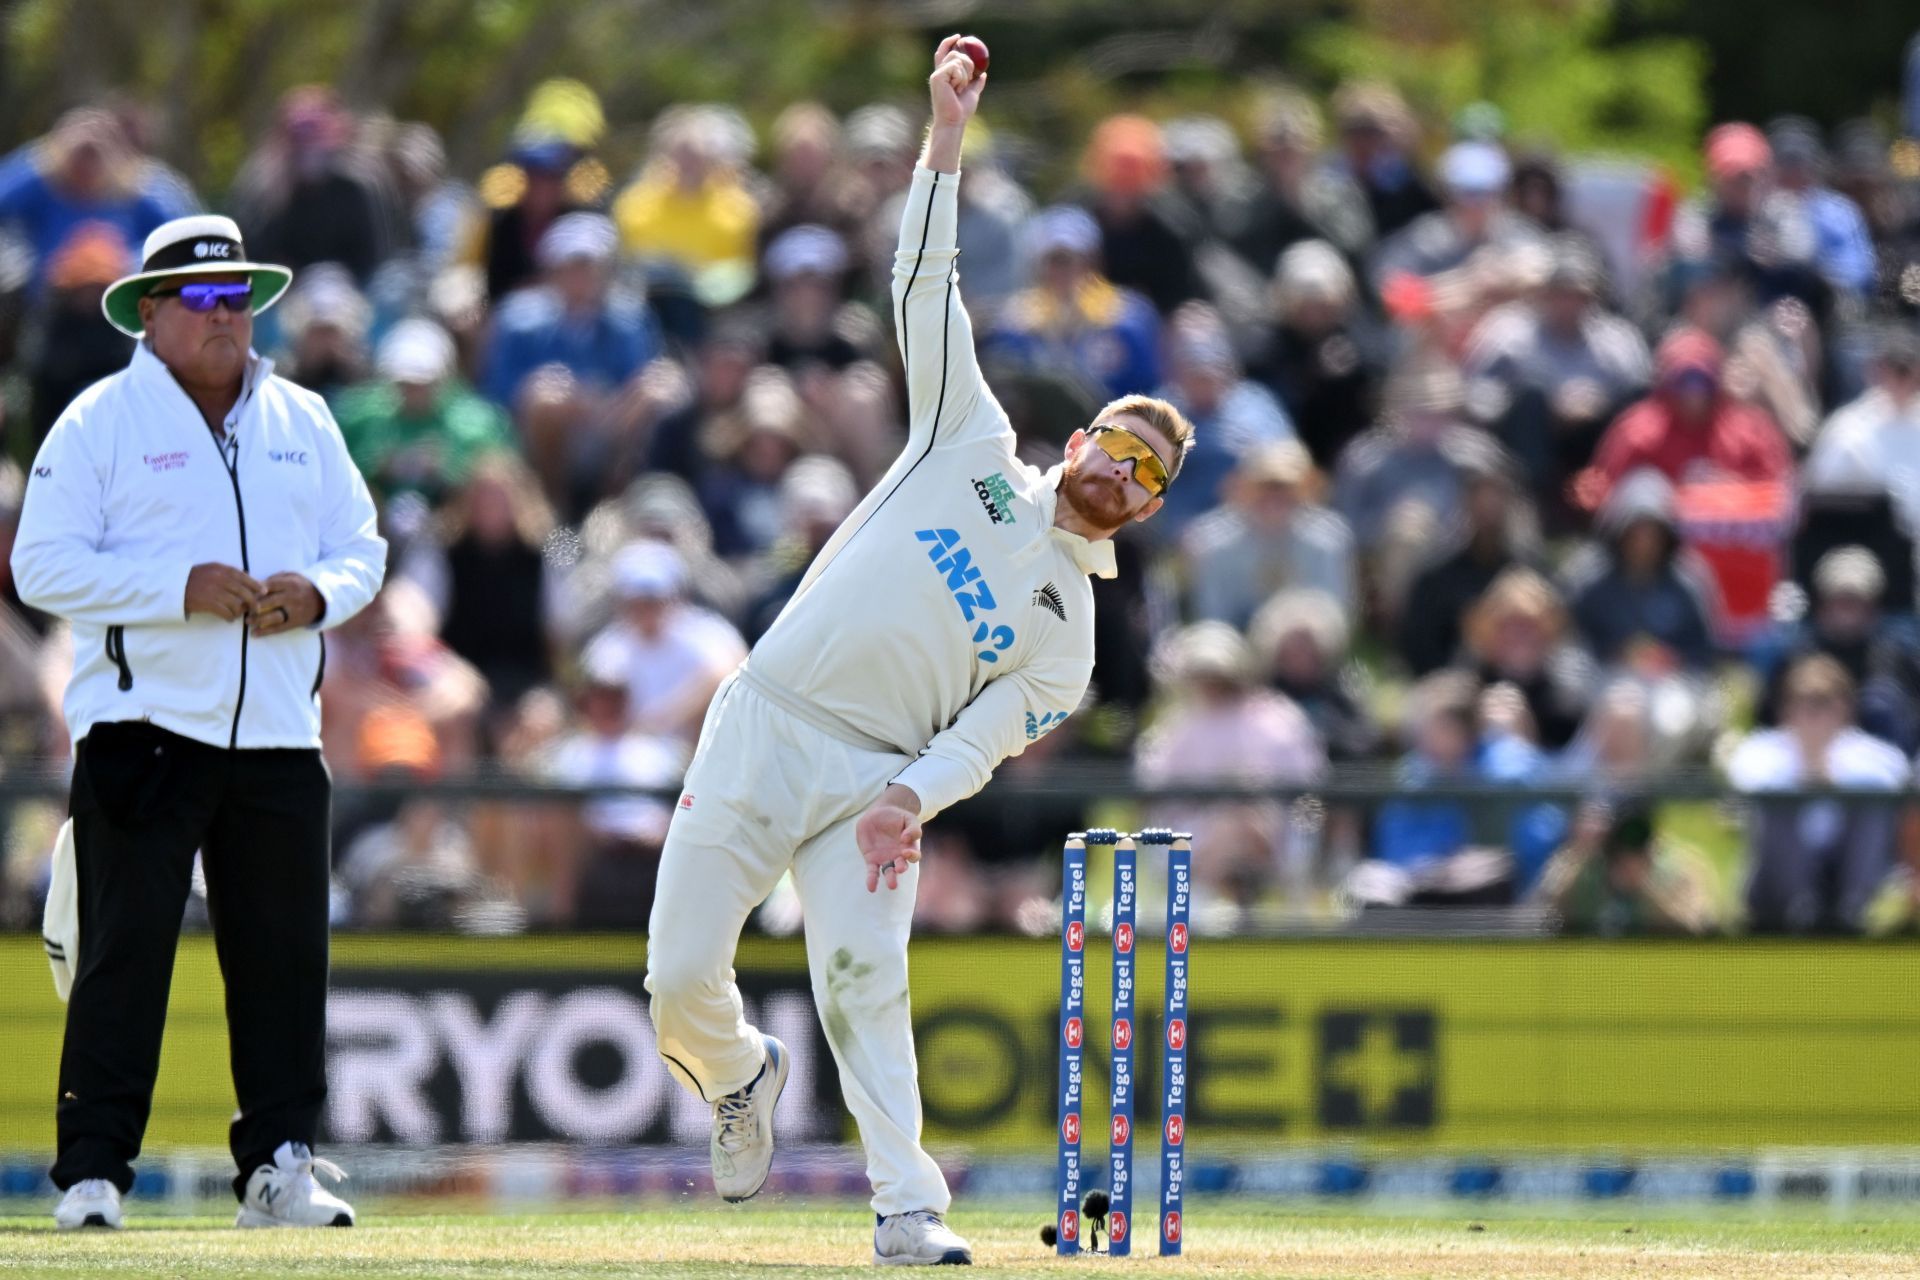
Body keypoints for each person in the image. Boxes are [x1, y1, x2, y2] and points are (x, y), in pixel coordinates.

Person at [641, 38, 1194, 1266]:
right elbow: (920, 279)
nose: (1121, 470)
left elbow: (985, 737)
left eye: (1148, 471)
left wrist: (910, 797)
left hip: (877, 780)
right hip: (764, 715)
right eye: (1117, 442)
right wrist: (944, 136)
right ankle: (739, 1075)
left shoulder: (1073, 637)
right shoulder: (969, 440)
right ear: (1079, 433)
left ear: (1150, 509)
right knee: (678, 979)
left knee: (861, 980)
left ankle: (908, 1206)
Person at [11, 214, 386, 1229]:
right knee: (123, 956)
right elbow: (40, 565)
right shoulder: (98, 421)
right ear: (153, 313)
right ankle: (92, 1171)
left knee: (283, 961)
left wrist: (314, 594)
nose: (227, 319)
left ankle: (279, 1161)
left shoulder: (303, 417)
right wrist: (177, 587)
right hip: (144, 725)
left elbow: (365, 545)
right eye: (203, 300)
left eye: (239, 300)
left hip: (276, 730)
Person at [1729, 654, 1907, 934]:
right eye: (1805, 702)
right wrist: (1809, 763)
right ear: (1786, 708)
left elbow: (1892, 782)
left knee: (1870, 805)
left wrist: (1828, 770)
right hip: (1773, 890)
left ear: (1846, 708)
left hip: (1845, 875)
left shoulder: (1872, 755)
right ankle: (1800, 912)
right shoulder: (1761, 750)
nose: (1815, 714)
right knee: (1778, 805)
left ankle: (1852, 912)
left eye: (1825, 703)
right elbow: (1747, 782)